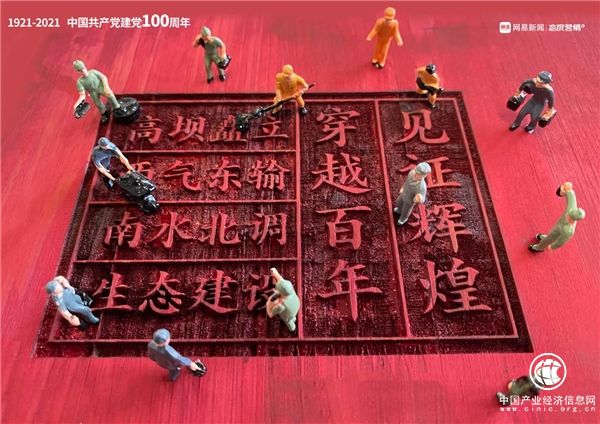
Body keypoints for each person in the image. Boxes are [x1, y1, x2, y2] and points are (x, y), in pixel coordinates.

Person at [529, 182, 585, 252]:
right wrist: (565, 189)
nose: (568, 214)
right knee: (552, 233)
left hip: (561, 229)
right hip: (558, 225)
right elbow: (571, 195)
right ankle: (545, 239)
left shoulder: (569, 230)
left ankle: (539, 247)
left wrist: (552, 247)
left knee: (551, 237)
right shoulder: (571, 208)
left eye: (569, 216)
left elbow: (561, 242)